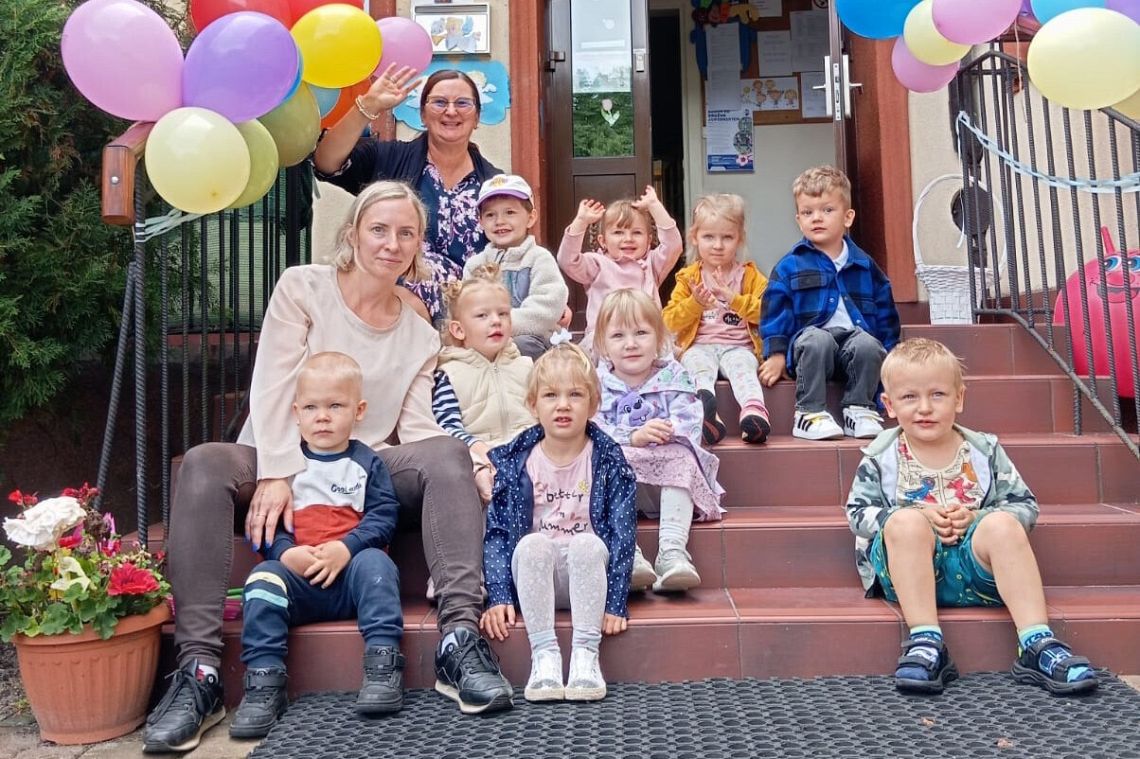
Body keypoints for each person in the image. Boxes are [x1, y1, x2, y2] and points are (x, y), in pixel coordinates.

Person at [143, 181, 513, 755]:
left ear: (418, 246)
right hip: (276, 455)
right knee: (203, 464)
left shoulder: (419, 333)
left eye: (406, 233)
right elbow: (272, 384)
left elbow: (418, 429)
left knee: (445, 453)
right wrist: (278, 472)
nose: (391, 243)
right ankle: (200, 672)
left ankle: (458, 640)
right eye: (379, 229)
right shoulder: (303, 287)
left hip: (360, 473)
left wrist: (474, 456)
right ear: (353, 233)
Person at [845, 337, 1099, 696]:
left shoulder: (983, 450)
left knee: (1003, 524)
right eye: (909, 397)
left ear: (959, 398)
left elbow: (1025, 506)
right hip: (908, 573)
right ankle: (925, 642)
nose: (924, 408)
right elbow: (857, 514)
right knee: (905, 523)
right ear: (889, 405)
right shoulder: (880, 454)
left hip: (976, 570)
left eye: (938, 394)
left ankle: (1036, 642)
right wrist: (916, 514)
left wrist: (978, 517)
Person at [230, 352, 404, 740]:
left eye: (335, 406)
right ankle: (264, 682)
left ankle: (383, 665)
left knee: (377, 565)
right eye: (311, 407)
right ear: (296, 412)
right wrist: (284, 553)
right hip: (299, 578)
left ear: (359, 411)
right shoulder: (285, 468)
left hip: (350, 578)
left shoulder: (366, 463)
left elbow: (384, 516)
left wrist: (348, 548)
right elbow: (264, 524)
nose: (322, 417)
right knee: (262, 579)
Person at [480, 343, 637, 703]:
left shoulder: (608, 460)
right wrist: (500, 593)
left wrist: (615, 601)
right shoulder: (517, 462)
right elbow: (498, 532)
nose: (563, 405)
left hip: (590, 577)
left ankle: (585, 655)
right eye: (551, 395)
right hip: (536, 579)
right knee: (533, 544)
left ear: (593, 405)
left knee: (588, 544)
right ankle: (545, 657)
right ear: (533, 404)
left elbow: (623, 534)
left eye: (575, 395)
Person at [313, 67, 502, 324]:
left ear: (477, 117)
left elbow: (512, 251)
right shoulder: (389, 159)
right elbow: (326, 162)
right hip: (394, 305)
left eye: (462, 103)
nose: (451, 111)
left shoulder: (494, 184)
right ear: (423, 114)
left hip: (470, 316)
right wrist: (367, 107)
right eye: (439, 102)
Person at [592, 289, 724, 592]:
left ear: (659, 338)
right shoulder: (598, 384)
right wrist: (631, 437)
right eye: (618, 336)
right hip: (623, 484)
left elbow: (690, 419)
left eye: (641, 333)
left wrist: (665, 430)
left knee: (683, 457)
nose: (631, 343)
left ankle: (672, 553)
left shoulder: (674, 376)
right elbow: (592, 425)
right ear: (603, 344)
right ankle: (630, 554)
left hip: (669, 482)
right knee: (602, 459)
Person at [759, 165, 900, 441]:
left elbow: (886, 314)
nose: (817, 218)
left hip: (854, 349)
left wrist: (893, 355)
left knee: (868, 344)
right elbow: (775, 312)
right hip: (811, 350)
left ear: (848, 217)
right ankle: (809, 413)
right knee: (817, 339)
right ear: (798, 220)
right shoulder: (790, 266)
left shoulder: (864, 265)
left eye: (827, 210)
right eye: (807, 212)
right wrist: (775, 354)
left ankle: (859, 408)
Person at [663, 193, 770, 445]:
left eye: (727, 237)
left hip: (739, 347)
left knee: (744, 370)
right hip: (700, 346)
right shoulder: (688, 278)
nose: (718, 245)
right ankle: (708, 415)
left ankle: (754, 415)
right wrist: (695, 303)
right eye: (709, 237)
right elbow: (668, 321)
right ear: (694, 237)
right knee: (696, 367)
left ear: (739, 238)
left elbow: (768, 313)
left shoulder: (750, 276)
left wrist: (735, 299)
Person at [433, 263, 535, 503]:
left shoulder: (526, 367)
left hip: (532, 455)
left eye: (503, 314)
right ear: (458, 330)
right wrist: (477, 447)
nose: (496, 321)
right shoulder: (449, 374)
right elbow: (447, 426)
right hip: (481, 460)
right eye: (482, 315)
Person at [557, 185, 683, 352]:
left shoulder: (653, 264)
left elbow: (674, 246)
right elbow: (567, 260)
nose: (628, 238)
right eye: (618, 232)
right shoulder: (597, 264)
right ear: (603, 241)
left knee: (669, 351)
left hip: (645, 339)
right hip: (606, 339)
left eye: (637, 233)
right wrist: (580, 222)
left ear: (649, 240)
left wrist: (655, 206)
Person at [462, 174, 569, 359]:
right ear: (480, 222)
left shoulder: (539, 258)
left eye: (510, 212)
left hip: (532, 339)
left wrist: (501, 325)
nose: (499, 221)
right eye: (490, 215)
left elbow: (547, 307)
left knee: (523, 346)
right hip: (486, 339)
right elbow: (465, 307)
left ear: (531, 218)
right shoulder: (475, 265)